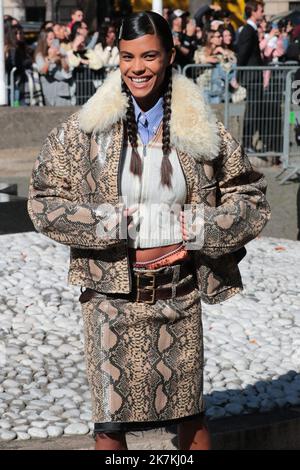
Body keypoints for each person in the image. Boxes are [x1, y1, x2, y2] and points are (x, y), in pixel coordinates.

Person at [28, 11, 270, 451]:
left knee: (192, 423)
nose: (137, 68)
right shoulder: (84, 132)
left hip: (179, 299)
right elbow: (42, 202)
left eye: (149, 56)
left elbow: (252, 200)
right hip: (109, 302)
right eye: (127, 57)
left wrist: (196, 226)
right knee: (109, 428)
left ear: (170, 56)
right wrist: (108, 222)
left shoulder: (204, 132)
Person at [237, 1, 265, 152]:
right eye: (261, 10)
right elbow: (242, 54)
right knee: (252, 110)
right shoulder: (248, 30)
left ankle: (248, 143)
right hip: (251, 76)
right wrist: (237, 74)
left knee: (255, 109)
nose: (263, 13)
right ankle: (247, 143)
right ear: (253, 12)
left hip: (254, 76)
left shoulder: (251, 30)